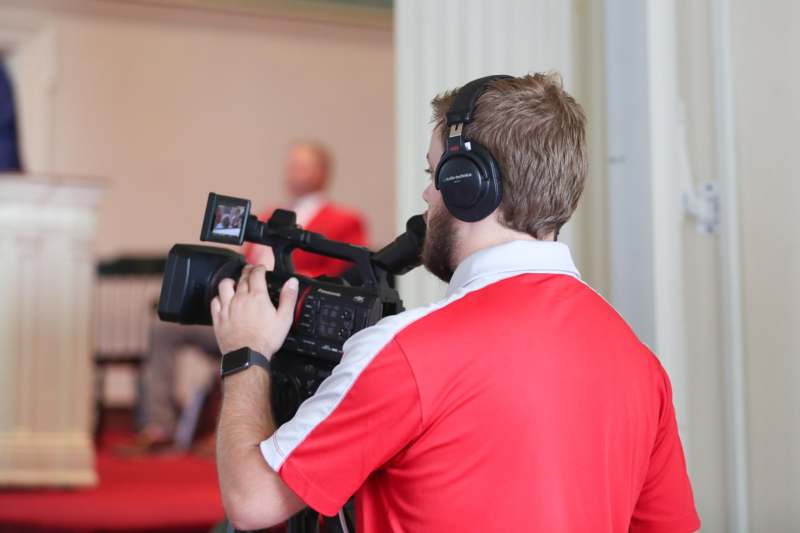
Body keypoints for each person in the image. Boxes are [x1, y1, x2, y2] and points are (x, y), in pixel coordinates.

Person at [210, 74, 701, 532]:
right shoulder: (640, 365)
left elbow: (253, 500)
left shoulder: (404, 353)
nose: (427, 193)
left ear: (469, 186)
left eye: (434, 173)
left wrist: (245, 352)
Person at [128, 141, 367, 453]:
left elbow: (344, 276)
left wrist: (284, 276)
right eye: (291, 165)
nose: (293, 172)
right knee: (165, 328)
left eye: (302, 165)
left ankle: (236, 432)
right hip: (243, 310)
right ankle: (159, 426)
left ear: (322, 172)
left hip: (291, 323)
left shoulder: (344, 221)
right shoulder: (265, 218)